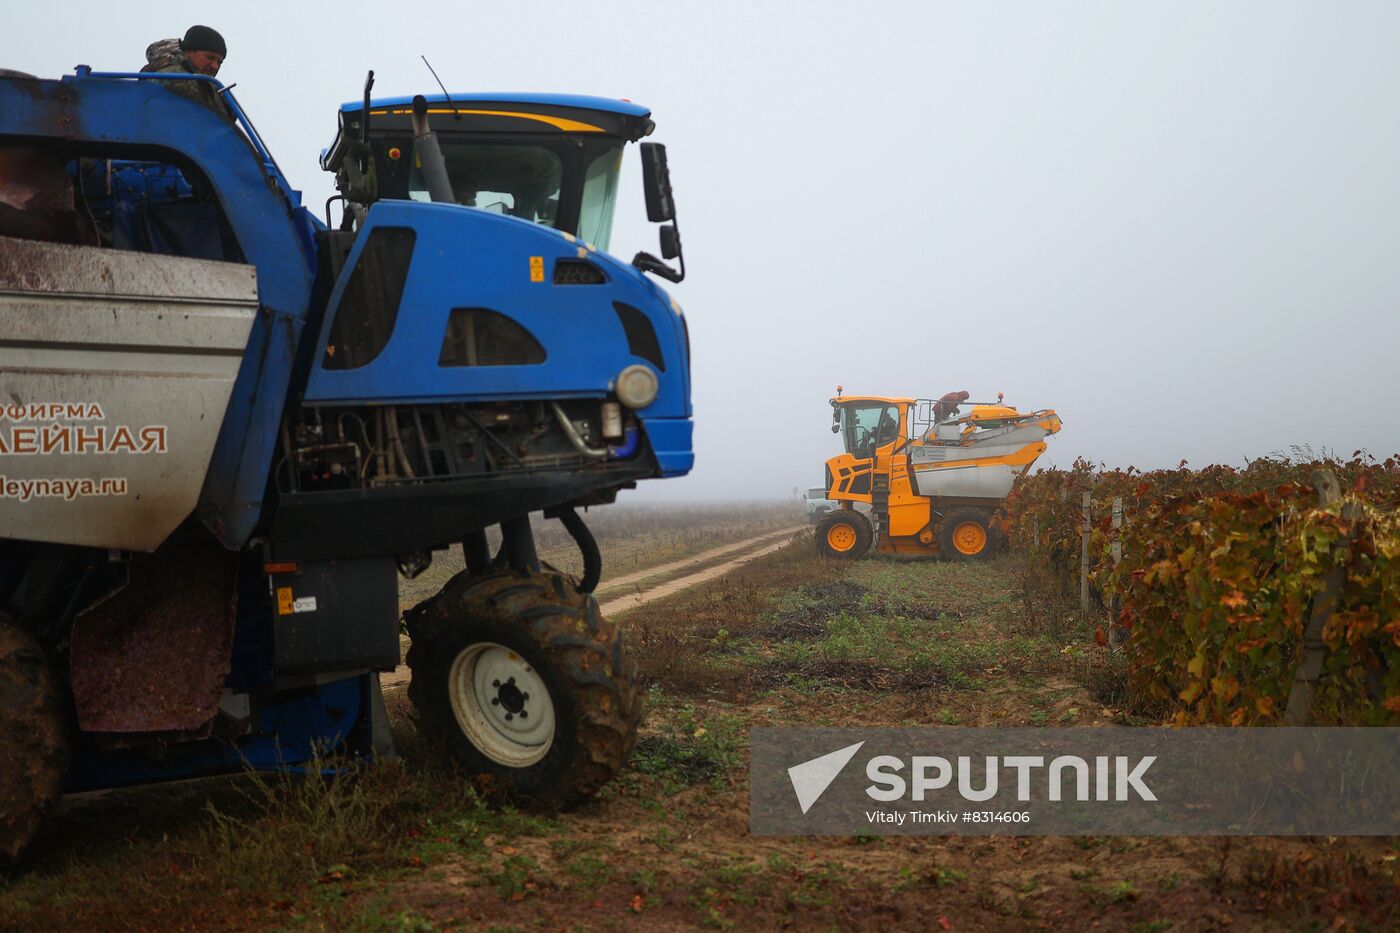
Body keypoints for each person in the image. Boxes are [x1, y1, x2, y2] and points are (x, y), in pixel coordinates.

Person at [140, 26, 233, 121]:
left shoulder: (208, 85)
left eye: (219, 62)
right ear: (188, 51)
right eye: (210, 57)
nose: (215, 66)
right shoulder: (175, 75)